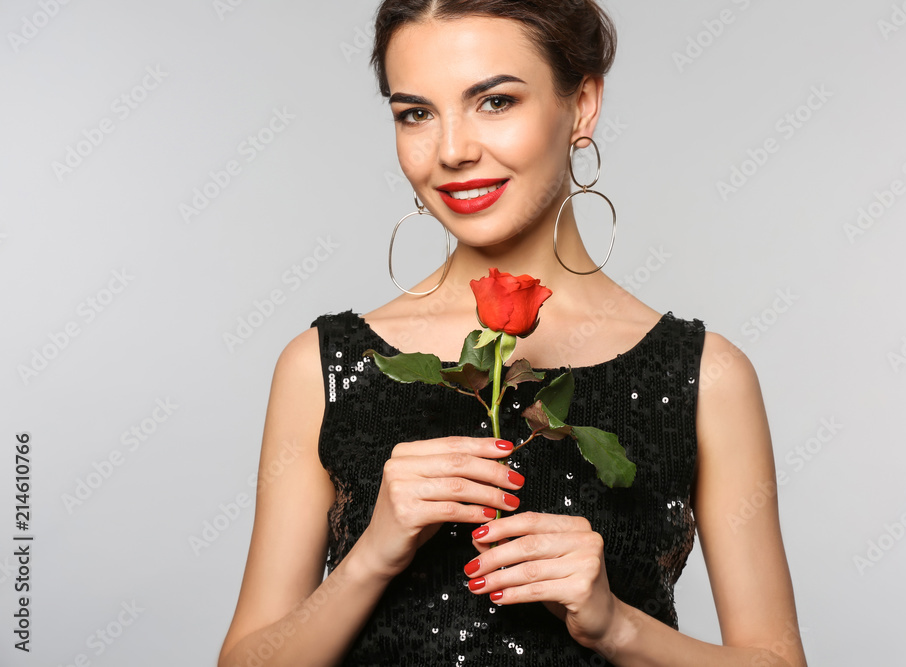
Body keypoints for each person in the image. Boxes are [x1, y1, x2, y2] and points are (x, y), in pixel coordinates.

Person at [218, 1, 808, 665]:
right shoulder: (322, 367)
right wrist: (369, 557)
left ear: (581, 105)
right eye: (416, 113)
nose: (452, 151)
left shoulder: (706, 376)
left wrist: (617, 627)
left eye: (494, 102)